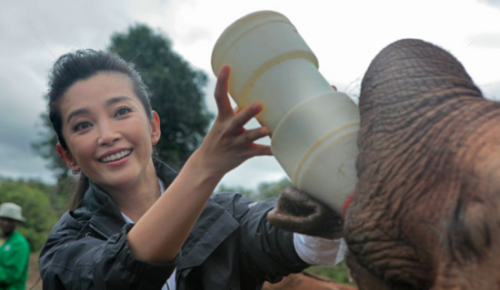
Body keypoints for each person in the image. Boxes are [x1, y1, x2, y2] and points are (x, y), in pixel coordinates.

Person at [39, 50, 345, 290]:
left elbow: (284, 236)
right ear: (68, 156)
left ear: (153, 127)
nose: (107, 135)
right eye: (82, 125)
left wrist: (328, 173)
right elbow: (115, 276)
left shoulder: (226, 215)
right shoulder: (64, 251)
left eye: (121, 111)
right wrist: (205, 166)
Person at [0, 202, 30, 290]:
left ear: (17, 222)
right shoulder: (3, 240)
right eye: (3, 219)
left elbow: (11, 275)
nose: (5, 223)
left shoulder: (20, 244)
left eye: (10, 220)